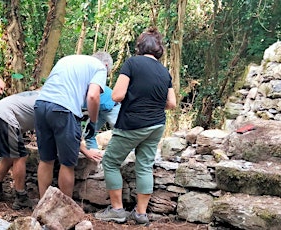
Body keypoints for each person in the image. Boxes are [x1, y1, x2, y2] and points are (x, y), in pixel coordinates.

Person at [94, 27, 177, 225]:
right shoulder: (165, 72)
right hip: (156, 125)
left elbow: (117, 95)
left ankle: (117, 210)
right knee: (145, 166)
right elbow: (171, 103)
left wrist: (135, 98)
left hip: (132, 124)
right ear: (159, 50)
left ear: (140, 47)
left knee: (111, 162)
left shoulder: (132, 63)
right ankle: (140, 213)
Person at [34, 51, 113, 198]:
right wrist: (93, 123)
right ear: (107, 65)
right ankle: (65, 210)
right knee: (67, 163)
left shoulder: (67, 58)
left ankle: (42, 204)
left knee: (46, 159)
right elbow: (93, 96)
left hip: (41, 104)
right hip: (63, 110)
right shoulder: (100, 67)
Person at [0, 90, 39, 209]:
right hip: (4, 117)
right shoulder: (48, 100)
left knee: (9, 156)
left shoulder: (33, 95)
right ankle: (21, 197)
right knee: (20, 156)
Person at [84, 86, 121, 150]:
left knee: (124, 134)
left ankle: (132, 156)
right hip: (97, 109)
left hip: (112, 106)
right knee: (89, 134)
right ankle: (93, 154)